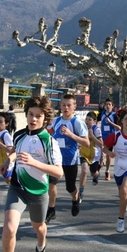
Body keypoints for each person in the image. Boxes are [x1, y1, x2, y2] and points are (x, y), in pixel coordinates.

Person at [0, 96, 63, 252]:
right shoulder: (19, 135)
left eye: (38, 116)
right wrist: (8, 161)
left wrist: (34, 162)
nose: (33, 119)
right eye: (30, 114)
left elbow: (59, 172)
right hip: (17, 187)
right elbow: (16, 149)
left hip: (38, 192)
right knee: (10, 228)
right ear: (26, 114)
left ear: (45, 119)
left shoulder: (49, 142)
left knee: (39, 227)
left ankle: (41, 246)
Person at [45, 94, 89, 224]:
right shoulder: (56, 121)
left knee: (70, 187)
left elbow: (86, 142)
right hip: (55, 159)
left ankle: (75, 200)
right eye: (63, 105)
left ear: (74, 106)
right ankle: (51, 209)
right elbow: (47, 134)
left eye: (69, 105)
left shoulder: (77, 123)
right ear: (60, 106)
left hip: (70, 160)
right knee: (51, 183)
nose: (66, 108)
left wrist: (70, 134)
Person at [78, 112, 103, 202]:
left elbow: (101, 144)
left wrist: (92, 136)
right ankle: (81, 192)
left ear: (95, 121)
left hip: (94, 155)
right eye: (86, 119)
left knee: (93, 173)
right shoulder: (82, 128)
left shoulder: (96, 129)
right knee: (84, 171)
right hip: (84, 153)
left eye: (90, 120)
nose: (87, 121)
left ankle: (96, 174)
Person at [100, 98, 121, 180]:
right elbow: (95, 122)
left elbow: (119, 128)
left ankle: (107, 171)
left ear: (112, 106)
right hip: (101, 137)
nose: (108, 106)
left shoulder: (114, 115)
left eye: (109, 104)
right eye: (106, 104)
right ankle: (100, 164)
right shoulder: (101, 114)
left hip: (110, 138)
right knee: (100, 154)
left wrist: (110, 122)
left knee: (108, 155)